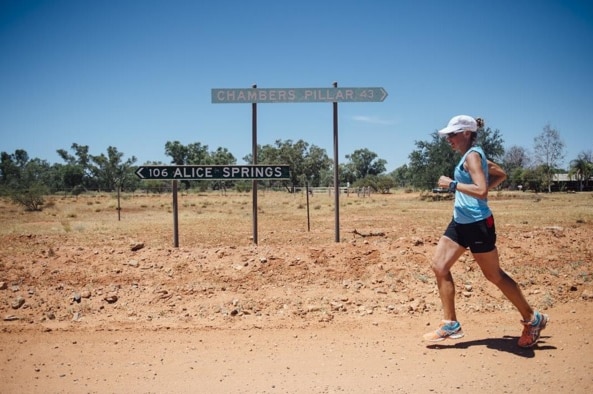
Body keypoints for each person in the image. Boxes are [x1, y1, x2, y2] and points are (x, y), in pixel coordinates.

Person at [423, 114, 548, 348]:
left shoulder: (472, 156)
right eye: (448, 134)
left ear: (467, 133)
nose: (448, 138)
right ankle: (451, 323)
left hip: (479, 224)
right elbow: (500, 174)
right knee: (439, 266)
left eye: (453, 134)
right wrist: (466, 192)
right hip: (460, 222)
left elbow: (481, 191)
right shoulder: (472, 156)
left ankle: (533, 319)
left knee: (494, 275)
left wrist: (452, 185)